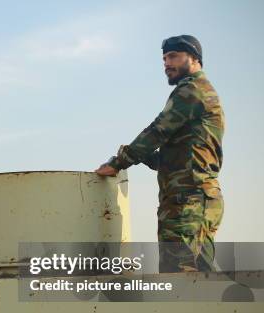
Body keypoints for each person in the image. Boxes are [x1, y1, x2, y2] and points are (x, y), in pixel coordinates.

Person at [95, 35, 224, 273]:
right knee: (202, 279)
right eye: (164, 58)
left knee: (179, 276)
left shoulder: (192, 90)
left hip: (187, 200)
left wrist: (119, 162)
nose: (166, 63)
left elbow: (158, 130)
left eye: (173, 56)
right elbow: (174, 158)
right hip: (194, 198)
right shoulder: (197, 92)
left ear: (194, 58)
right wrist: (142, 155)